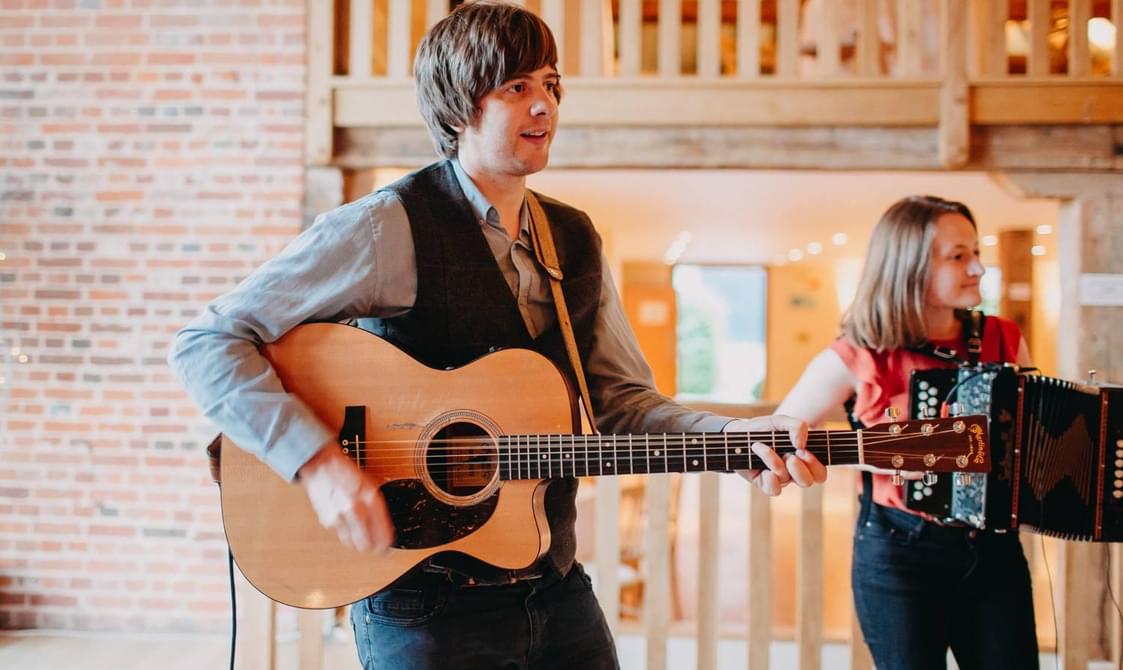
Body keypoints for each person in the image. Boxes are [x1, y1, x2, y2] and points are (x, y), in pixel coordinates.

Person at [169, 2, 826, 668]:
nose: (544, 106)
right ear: (458, 106)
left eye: (550, 85)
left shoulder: (573, 239)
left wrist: (728, 441)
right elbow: (207, 342)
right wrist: (319, 465)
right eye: (517, 87)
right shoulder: (385, 228)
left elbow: (619, 404)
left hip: (555, 589)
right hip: (421, 604)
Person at [776, 195, 1038, 670]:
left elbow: (1033, 436)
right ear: (909, 267)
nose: (978, 267)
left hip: (996, 552)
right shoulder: (860, 353)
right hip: (899, 554)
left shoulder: (1003, 338)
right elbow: (777, 434)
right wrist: (873, 452)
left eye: (975, 252)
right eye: (958, 256)